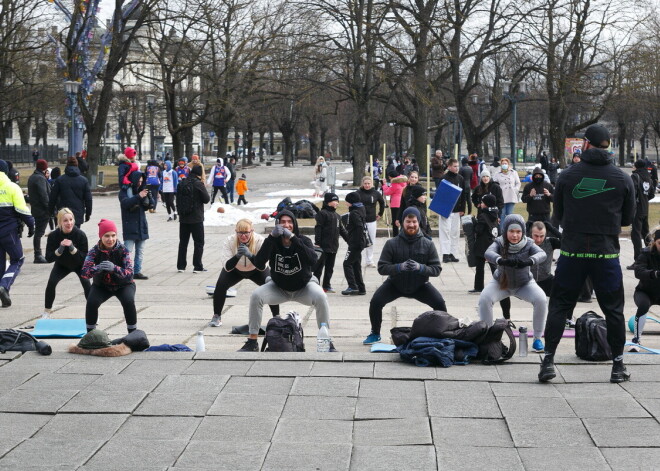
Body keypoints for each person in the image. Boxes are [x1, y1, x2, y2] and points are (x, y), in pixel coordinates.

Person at [539, 123, 635, 384]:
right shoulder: (622, 177)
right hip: (606, 254)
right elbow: (628, 218)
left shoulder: (569, 176)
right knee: (613, 310)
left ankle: (548, 361)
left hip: (573, 252)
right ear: (609, 146)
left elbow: (556, 215)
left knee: (560, 306)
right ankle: (617, 366)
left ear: (586, 144)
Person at [239, 210, 333, 352]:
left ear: (294, 224)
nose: (286, 225)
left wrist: (294, 238)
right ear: (277, 224)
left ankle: (326, 341)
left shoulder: (303, 240)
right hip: (279, 287)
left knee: (321, 296)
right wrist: (271, 237)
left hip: (304, 286)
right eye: (283, 222)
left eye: (289, 222)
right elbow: (259, 263)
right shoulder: (272, 242)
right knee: (256, 296)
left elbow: (314, 260)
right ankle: (252, 342)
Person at [363, 206, 445, 345]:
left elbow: (436, 269)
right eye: (408, 221)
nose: (411, 225)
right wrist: (398, 267)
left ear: (419, 222)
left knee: (440, 304)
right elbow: (382, 268)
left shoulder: (428, 244)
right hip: (395, 284)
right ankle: (375, 333)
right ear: (402, 222)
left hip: (420, 285)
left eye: (414, 222)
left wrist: (421, 268)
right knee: (375, 302)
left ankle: (442, 332)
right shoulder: (391, 243)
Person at [479, 214, 547, 352]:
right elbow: (488, 253)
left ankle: (538, 338)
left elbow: (542, 254)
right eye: (511, 231)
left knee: (541, 299)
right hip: (501, 284)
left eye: (518, 232)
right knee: (484, 299)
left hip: (524, 284)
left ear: (523, 232)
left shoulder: (529, 243)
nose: (515, 235)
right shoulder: (499, 242)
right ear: (505, 231)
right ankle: (488, 338)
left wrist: (530, 261)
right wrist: (500, 260)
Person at [208, 219, 280, 327]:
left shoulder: (260, 240)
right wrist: (237, 256)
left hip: (256, 269)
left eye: (246, 232)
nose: (243, 236)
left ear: (252, 231)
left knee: (271, 286)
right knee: (220, 286)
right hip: (235, 270)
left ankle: (276, 316)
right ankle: (217, 315)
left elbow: (262, 266)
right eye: (240, 233)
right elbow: (227, 267)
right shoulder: (229, 241)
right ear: (236, 231)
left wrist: (250, 255)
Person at [81, 219, 138, 334]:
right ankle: (91, 334)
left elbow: (130, 274)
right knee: (91, 302)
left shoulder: (124, 250)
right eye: (106, 236)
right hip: (102, 286)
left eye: (113, 235)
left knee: (128, 301)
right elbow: (84, 273)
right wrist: (98, 268)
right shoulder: (94, 251)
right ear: (101, 236)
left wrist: (115, 268)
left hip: (124, 285)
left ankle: (133, 333)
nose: (110, 239)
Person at [470, 194, 512, 323]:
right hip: (492, 245)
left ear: (486, 204)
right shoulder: (495, 214)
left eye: (482, 202)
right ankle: (500, 281)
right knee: (494, 266)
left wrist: (474, 223)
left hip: (482, 245)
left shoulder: (483, 215)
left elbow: (478, 230)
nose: (481, 204)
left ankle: (478, 286)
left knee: (480, 267)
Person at [43, 208, 91, 318]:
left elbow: (85, 259)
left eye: (71, 219)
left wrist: (72, 249)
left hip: (79, 265)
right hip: (62, 264)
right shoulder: (53, 236)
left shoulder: (80, 235)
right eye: (65, 220)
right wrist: (59, 250)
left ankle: (93, 312)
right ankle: (46, 312)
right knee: (51, 283)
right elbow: (48, 258)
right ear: (59, 222)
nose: (69, 223)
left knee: (87, 284)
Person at [0, 160, 35, 308]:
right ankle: (4, 286)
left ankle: (2, 289)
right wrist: (31, 225)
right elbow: (22, 210)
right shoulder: (12, 187)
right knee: (17, 259)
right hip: (8, 232)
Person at [119, 169, 155, 280]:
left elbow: (150, 205)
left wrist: (149, 197)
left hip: (141, 224)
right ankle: (125, 271)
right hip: (130, 224)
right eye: (138, 181)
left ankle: (137, 271)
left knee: (140, 251)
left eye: (141, 181)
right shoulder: (124, 191)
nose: (140, 183)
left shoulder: (143, 189)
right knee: (127, 251)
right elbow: (125, 203)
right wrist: (138, 196)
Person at [629, 228, 660, 351]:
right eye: (659, 243)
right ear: (654, 242)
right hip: (645, 292)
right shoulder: (645, 253)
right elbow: (638, 272)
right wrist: (654, 274)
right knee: (643, 305)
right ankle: (636, 340)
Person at [177, 164, 210, 273]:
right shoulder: (198, 184)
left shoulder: (182, 183)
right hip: (196, 218)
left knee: (183, 242)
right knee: (199, 242)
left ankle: (181, 266)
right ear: (199, 174)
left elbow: (177, 200)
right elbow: (206, 199)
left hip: (184, 218)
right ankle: (197, 266)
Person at [313, 193, 348, 293]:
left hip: (333, 246)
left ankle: (326, 285)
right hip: (323, 246)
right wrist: (318, 242)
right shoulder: (322, 214)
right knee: (319, 268)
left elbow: (342, 230)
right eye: (334, 201)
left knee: (330, 268)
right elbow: (318, 228)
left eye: (337, 201)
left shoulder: (337, 216)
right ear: (328, 202)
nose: (337, 203)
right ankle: (315, 285)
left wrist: (349, 241)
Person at [49, 157, 92, 228]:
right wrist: (88, 213)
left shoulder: (60, 180)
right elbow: (88, 199)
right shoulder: (84, 180)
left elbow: (53, 197)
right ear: (77, 165)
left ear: (67, 165)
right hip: (78, 213)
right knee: (75, 235)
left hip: (63, 212)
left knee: (62, 236)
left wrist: (51, 211)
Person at [438, 158, 467, 263]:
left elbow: (463, 194)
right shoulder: (444, 178)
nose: (457, 168)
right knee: (445, 231)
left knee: (455, 232)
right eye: (454, 166)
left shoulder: (460, 178)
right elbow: (440, 195)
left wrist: (463, 208)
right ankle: (445, 254)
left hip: (457, 210)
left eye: (458, 166)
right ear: (449, 166)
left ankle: (452, 253)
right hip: (446, 210)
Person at [628, 160, 655, 268]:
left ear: (637, 166)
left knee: (635, 234)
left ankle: (638, 261)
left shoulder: (635, 176)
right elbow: (652, 193)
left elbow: (631, 193)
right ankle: (653, 256)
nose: (632, 167)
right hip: (645, 208)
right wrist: (644, 199)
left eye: (634, 165)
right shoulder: (648, 176)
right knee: (646, 234)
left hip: (637, 209)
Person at [342, 192, 367, 296]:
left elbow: (359, 227)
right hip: (359, 242)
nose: (346, 203)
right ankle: (361, 288)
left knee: (347, 263)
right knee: (356, 264)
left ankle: (352, 286)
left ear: (351, 203)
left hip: (356, 243)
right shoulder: (361, 209)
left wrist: (354, 242)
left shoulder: (354, 213)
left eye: (347, 201)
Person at [358, 176, 385, 268]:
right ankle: (357, 259)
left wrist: (380, 213)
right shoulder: (358, 193)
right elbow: (350, 202)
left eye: (368, 183)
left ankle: (369, 260)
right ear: (362, 184)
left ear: (371, 184)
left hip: (371, 220)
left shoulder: (376, 193)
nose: (367, 185)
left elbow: (382, 203)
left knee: (371, 240)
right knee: (359, 240)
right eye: (365, 183)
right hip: (360, 220)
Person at [27, 159, 51, 263]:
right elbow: (44, 195)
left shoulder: (33, 177)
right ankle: (38, 255)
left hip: (36, 209)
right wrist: (49, 208)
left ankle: (38, 254)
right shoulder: (40, 178)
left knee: (38, 232)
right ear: (44, 168)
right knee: (39, 233)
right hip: (42, 210)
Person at [521, 167, 557, 236]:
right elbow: (523, 200)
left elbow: (555, 199)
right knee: (531, 233)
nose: (538, 177)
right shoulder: (528, 186)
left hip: (545, 214)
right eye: (536, 176)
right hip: (532, 214)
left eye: (540, 176)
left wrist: (549, 194)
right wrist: (530, 195)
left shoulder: (548, 185)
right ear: (533, 176)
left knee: (547, 233)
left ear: (542, 176)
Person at [492, 157, 520, 231]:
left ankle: (509, 230)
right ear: (501, 165)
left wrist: (515, 190)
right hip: (501, 197)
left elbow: (518, 183)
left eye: (506, 163)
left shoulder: (514, 172)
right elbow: (494, 184)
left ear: (508, 164)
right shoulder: (497, 174)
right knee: (502, 215)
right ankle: (502, 231)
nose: (504, 165)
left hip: (511, 196)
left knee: (510, 215)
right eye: (503, 163)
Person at [382, 170, 407, 237]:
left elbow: (387, 192)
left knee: (395, 221)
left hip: (395, 204)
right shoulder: (403, 182)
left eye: (389, 177)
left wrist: (384, 185)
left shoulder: (395, 184)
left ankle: (395, 235)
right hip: (402, 203)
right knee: (402, 219)